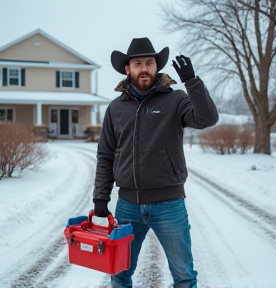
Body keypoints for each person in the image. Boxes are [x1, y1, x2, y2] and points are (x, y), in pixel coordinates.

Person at [93, 37, 218, 288]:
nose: (144, 68)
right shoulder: (116, 108)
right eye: (138, 63)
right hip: (128, 206)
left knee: (184, 275)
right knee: (119, 273)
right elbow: (106, 155)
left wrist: (192, 82)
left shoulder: (175, 100)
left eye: (149, 63)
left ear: (156, 67)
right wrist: (101, 198)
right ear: (127, 69)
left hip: (169, 205)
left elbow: (206, 119)